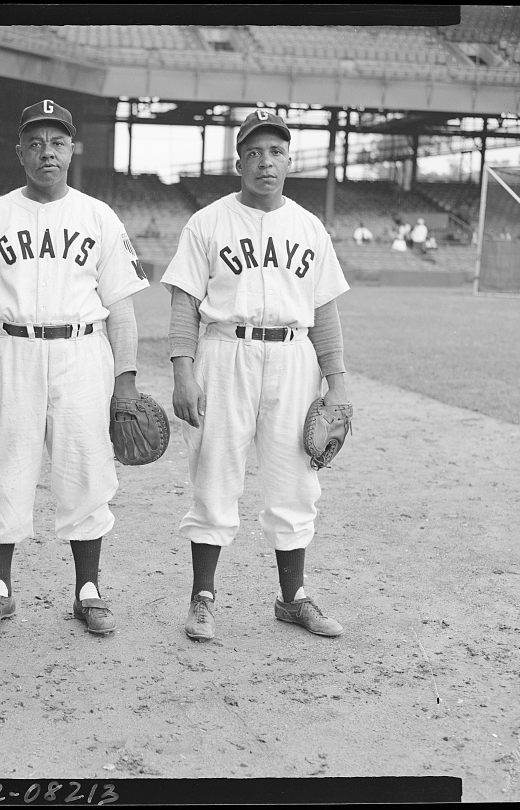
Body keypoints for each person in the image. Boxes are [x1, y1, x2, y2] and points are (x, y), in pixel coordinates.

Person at [0, 99, 149, 636]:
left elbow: (121, 310)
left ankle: (88, 591)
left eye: (57, 143)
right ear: (19, 152)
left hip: (82, 353)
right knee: (4, 469)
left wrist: (124, 382)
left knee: (86, 468)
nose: (46, 152)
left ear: (70, 150)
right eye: (35, 143)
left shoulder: (98, 216)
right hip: (9, 351)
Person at [161, 110, 351, 642]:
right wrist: (183, 371)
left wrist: (337, 381)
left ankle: (293, 599)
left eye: (275, 152)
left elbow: (325, 313)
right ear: (238, 160)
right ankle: (203, 598)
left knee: (294, 479)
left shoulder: (310, 227)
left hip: (294, 358)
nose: (265, 162)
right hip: (225, 353)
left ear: (288, 160)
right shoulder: (207, 222)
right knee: (214, 473)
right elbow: (184, 303)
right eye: (254, 152)